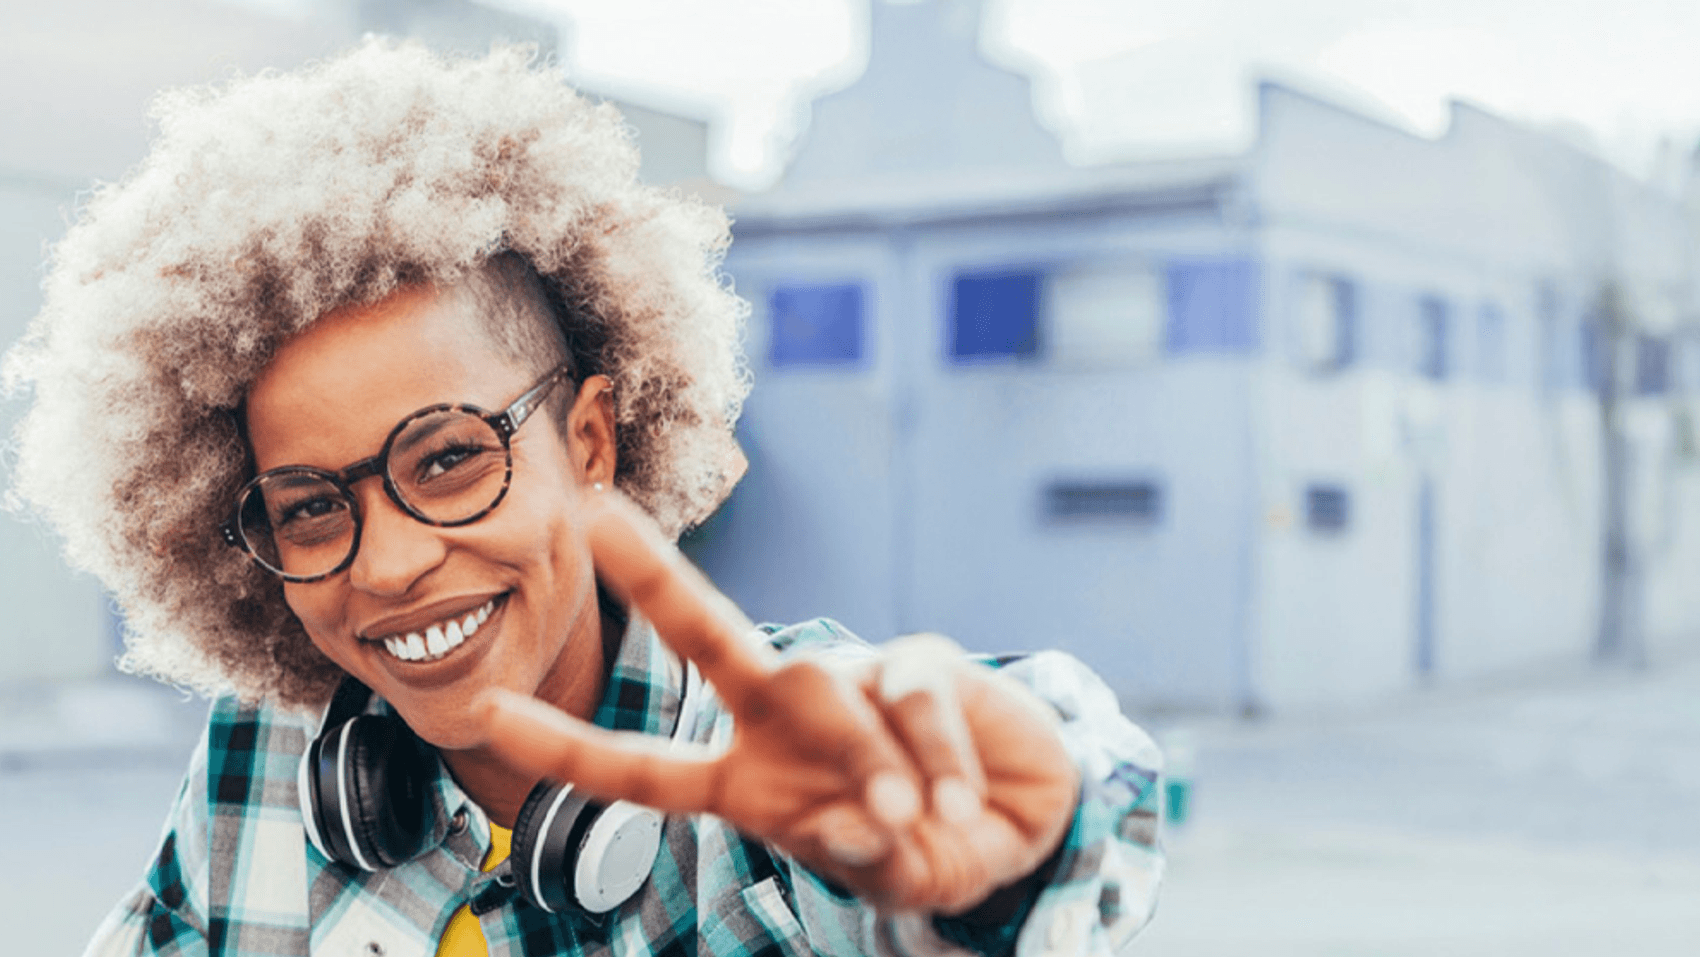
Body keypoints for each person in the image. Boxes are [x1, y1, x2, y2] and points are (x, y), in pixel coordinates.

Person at [3, 41, 1164, 957]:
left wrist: (1028, 826)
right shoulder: (256, 766)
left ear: (591, 440)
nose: (390, 562)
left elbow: (1008, 805)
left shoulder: (777, 775)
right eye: (309, 506)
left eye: (449, 459)